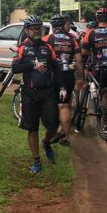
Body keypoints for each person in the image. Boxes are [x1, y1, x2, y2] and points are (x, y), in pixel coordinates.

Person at [12, 16, 66, 174]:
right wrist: (32, 64)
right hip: (29, 94)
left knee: (53, 124)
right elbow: (15, 68)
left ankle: (47, 141)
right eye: (34, 28)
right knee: (32, 127)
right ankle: (36, 161)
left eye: (39, 28)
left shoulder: (48, 47)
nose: (37, 31)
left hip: (47, 92)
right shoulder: (22, 48)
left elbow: (56, 68)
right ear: (27, 30)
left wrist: (62, 87)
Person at [81, 7, 107, 133]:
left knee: (102, 93)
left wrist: (92, 54)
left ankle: (105, 123)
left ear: (97, 18)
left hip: (98, 67)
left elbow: (84, 51)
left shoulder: (91, 33)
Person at [44, 14, 83, 146]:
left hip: (52, 76)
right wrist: (81, 77)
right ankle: (66, 136)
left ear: (53, 26)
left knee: (51, 104)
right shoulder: (72, 40)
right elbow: (78, 60)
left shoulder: (47, 39)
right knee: (64, 105)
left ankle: (52, 131)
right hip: (67, 75)